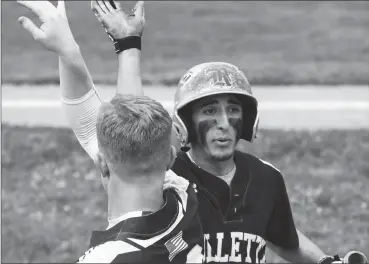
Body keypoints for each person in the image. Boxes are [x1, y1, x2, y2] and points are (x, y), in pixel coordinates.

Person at [47, 0, 365, 263]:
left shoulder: (265, 178)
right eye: (209, 111)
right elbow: (132, 124)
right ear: (184, 124)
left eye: (233, 110)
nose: (223, 123)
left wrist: (326, 261)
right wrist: (126, 46)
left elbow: (284, 239)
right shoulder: (174, 182)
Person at [16, 1, 204, 263]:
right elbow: (125, 126)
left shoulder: (107, 258)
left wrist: (69, 50)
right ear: (170, 158)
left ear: (103, 163)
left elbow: (92, 124)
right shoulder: (183, 201)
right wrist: (125, 44)